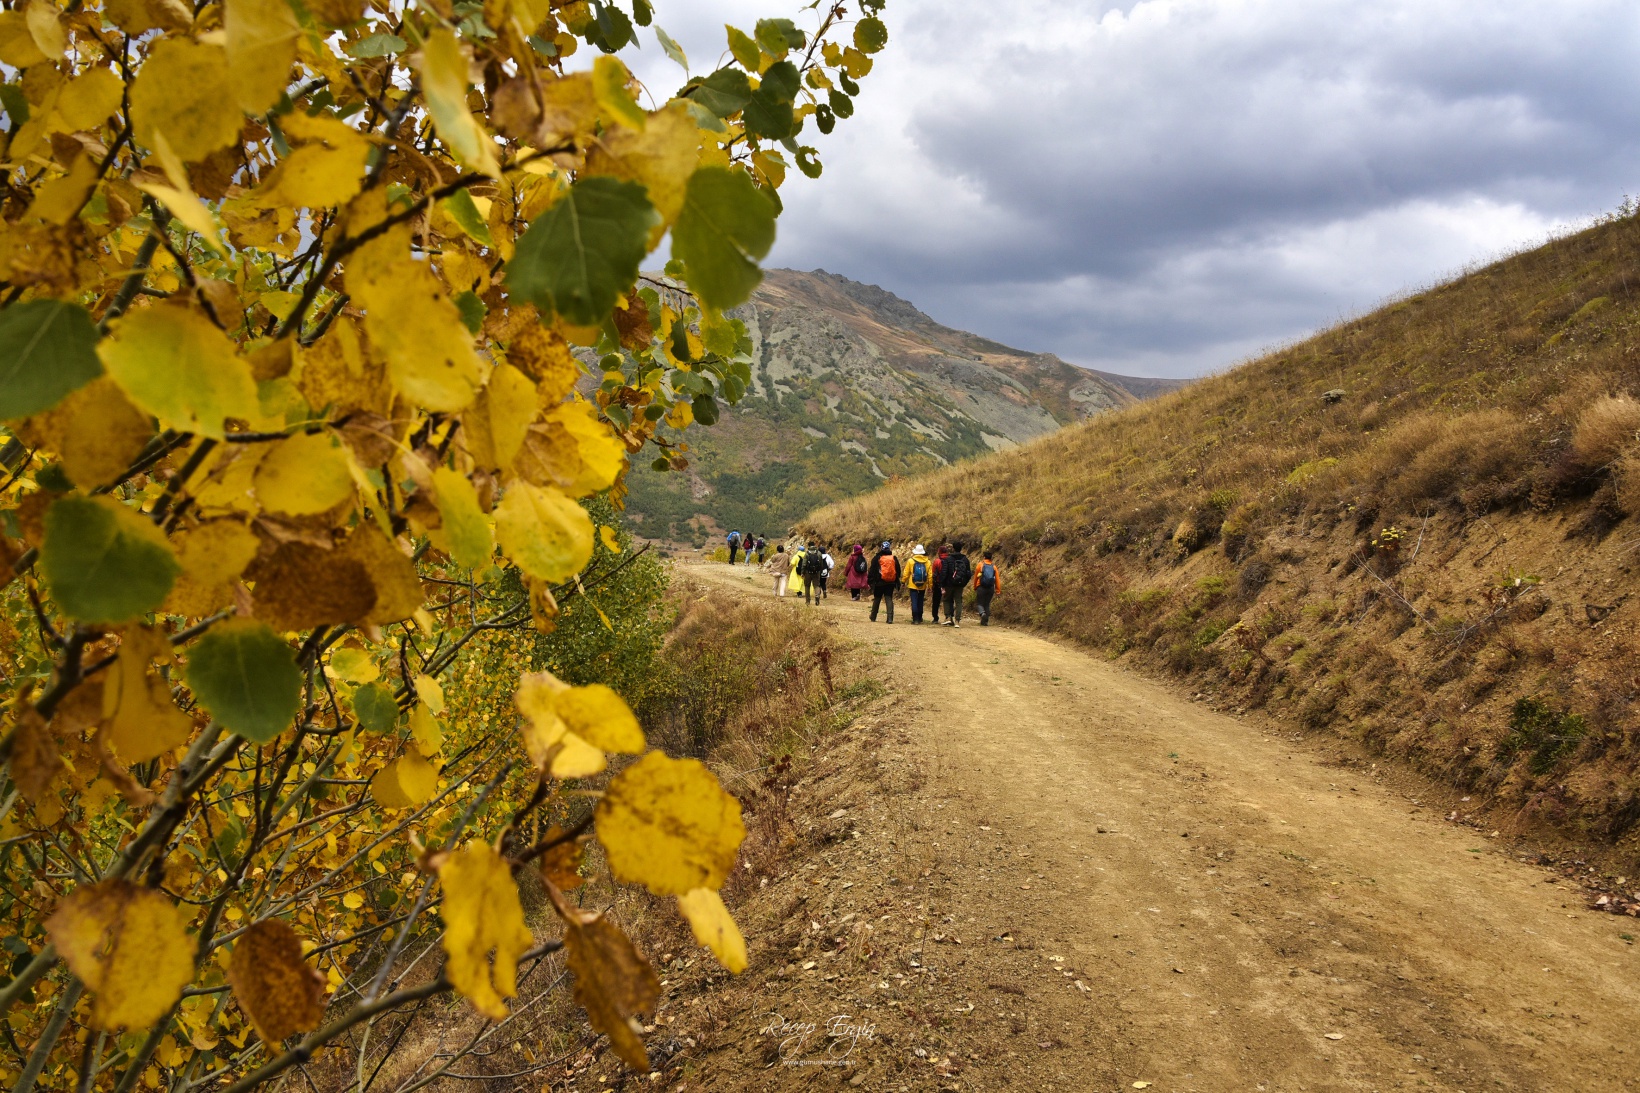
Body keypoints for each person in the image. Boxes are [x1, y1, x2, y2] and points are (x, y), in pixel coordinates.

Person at [868, 540, 900, 623]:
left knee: (877, 599)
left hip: (879, 582)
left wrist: (870, 581)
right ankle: (890, 618)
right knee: (888, 598)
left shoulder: (877, 558)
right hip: (891, 582)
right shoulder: (893, 558)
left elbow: (872, 571)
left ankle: (873, 616)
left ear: (881, 548)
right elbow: (898, 571)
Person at [941, 541, 972, 627]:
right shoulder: (965, 560)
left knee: (946, 600)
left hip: (949, 584)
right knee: (958, 601)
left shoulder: (948, 559)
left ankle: (948, 617)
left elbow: (944, 572)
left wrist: (942, 584)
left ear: (953, 548)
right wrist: (964, 583)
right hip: (960, 584)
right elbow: (969, 573)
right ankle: (957, 621)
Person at [902, 544, 934, 623]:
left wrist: (903, 581)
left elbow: (906, 573)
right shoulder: (928, 562)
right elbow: (930, 575)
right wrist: (930, 586)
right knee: (920, 601)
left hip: (913, 584)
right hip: (923, 584)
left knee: (914, 601)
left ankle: (915, 618)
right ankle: (920, 617)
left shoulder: (911, 561)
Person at [973, 549, 1002, 625]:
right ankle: (985, 621)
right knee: (987, 604)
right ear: (991, 558)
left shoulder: (980, 565)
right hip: (990, 588)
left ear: (984, 557)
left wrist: (975, 586)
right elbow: (997, 580)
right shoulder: (994, 567)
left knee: (980, 603)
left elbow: (976, 577)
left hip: (981, 587)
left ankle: (982, 614)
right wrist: (998, 590)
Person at [929, 544, 950, 622]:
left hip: (938, 584)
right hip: (948, 584)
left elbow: (933, 573)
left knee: (936, 601)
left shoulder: (937, 561)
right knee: (948, 600)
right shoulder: (950, 560)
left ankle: (935, 617)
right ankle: (948, 616)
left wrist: (932, 584)